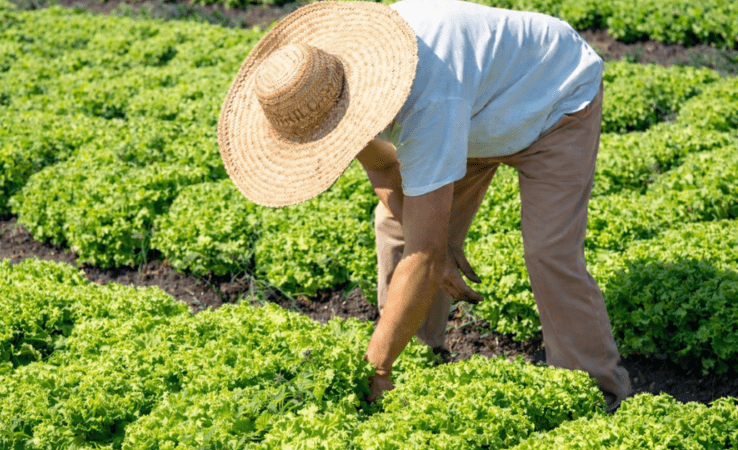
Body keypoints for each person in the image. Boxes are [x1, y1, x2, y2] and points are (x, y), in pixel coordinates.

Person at [217, 0, 632, 413]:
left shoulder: (425, 96)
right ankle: (418, 353)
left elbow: (424, 253)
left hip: (552, 100)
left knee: (548, 253)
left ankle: (595, 389)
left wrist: (375, 364)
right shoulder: (332, 85)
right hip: (472, 110)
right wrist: (431, 244)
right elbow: (382, 167)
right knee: (398, 228)